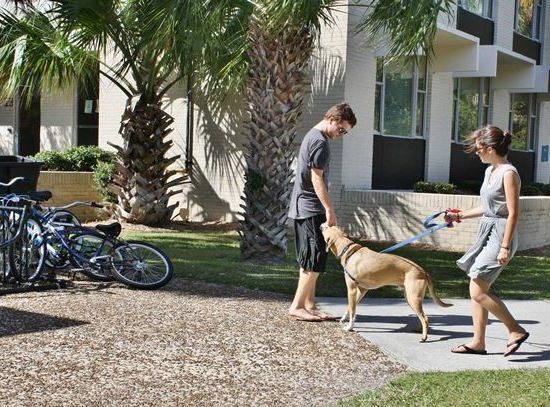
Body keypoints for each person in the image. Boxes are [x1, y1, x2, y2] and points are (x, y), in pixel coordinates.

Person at [445, 125, 529, 356]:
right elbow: (488, 207)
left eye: (479, 148)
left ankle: (516, 330)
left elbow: (513, 213)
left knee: (477, 289)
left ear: (490, 148)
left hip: (501, 235)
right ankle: (478, 342)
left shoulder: (508, 173)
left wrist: (504, 247)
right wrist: (460, 215)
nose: (477, 152)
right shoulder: (490, 171)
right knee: (477, 286)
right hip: (487, 230)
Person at [287, 102, 357, 321]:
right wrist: (329, 209)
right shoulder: (320, 142)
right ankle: (297, 306)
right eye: (341, 129)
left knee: (312, 258)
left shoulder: (314, 136)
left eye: (345, 132)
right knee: (313, 257)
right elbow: (316, 178)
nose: (341, 134)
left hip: (305, 206)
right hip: (310, 208)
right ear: (333, 119)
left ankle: (309, 304)